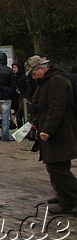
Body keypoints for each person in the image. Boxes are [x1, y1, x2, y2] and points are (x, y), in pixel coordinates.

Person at [28, 55, 77, 214]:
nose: (33, 77)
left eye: (34, 74)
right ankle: (62, 193)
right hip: (55, 128)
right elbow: (44, 106)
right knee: (56, 164)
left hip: (60, 130)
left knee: (57, 166)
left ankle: (70, 199)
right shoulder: (50, 80)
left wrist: (48, 130)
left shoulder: (56, 81)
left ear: (41, 69)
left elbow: (57, 108)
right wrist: (36, 121)